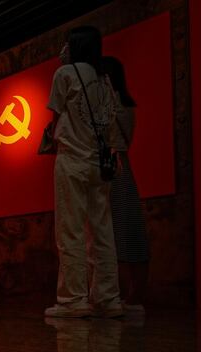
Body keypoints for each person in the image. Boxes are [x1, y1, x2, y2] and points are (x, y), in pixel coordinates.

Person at [45, 26, 123, 318]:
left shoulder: (64, 75)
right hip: (98, 163)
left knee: (70, 231)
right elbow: (109, 121)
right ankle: (108, 298)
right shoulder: (104, 80)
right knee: (103, 232)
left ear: (74, 46)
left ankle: (73, 299)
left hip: (71, 160)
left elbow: (55, 118)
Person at [103, 56, 150, 314]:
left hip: (114, 165)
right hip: (117, 164)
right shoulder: (123, 106)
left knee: (123, 231)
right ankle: (128, 296)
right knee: (121, 232)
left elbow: (119, 139)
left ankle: (131, 298)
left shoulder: (116, 105)